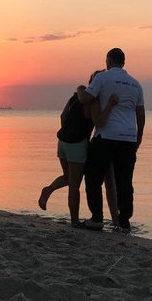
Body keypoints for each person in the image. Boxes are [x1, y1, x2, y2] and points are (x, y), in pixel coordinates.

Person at [38, 75, 119, 227]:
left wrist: (68, 132)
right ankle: (74, 221)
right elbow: (98, 122)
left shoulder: (75, 97)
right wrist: (110, 105)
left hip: (62, 141)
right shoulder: (92, 101)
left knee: (68, 177)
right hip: (76, 143)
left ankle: (48, 190)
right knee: (74, 184)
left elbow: (62, 116)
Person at [80, 48, 145, 233]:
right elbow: (141, 114)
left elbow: (86, 98)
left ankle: (97, 218)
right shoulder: (136, 85)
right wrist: (138, 138)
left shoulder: (102, 78)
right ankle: (124, 222)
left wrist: (80, 90)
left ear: (108, 61)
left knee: (93, 177)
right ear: (123, 63)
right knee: (125, 181)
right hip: (128, 138)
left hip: (105, 137)